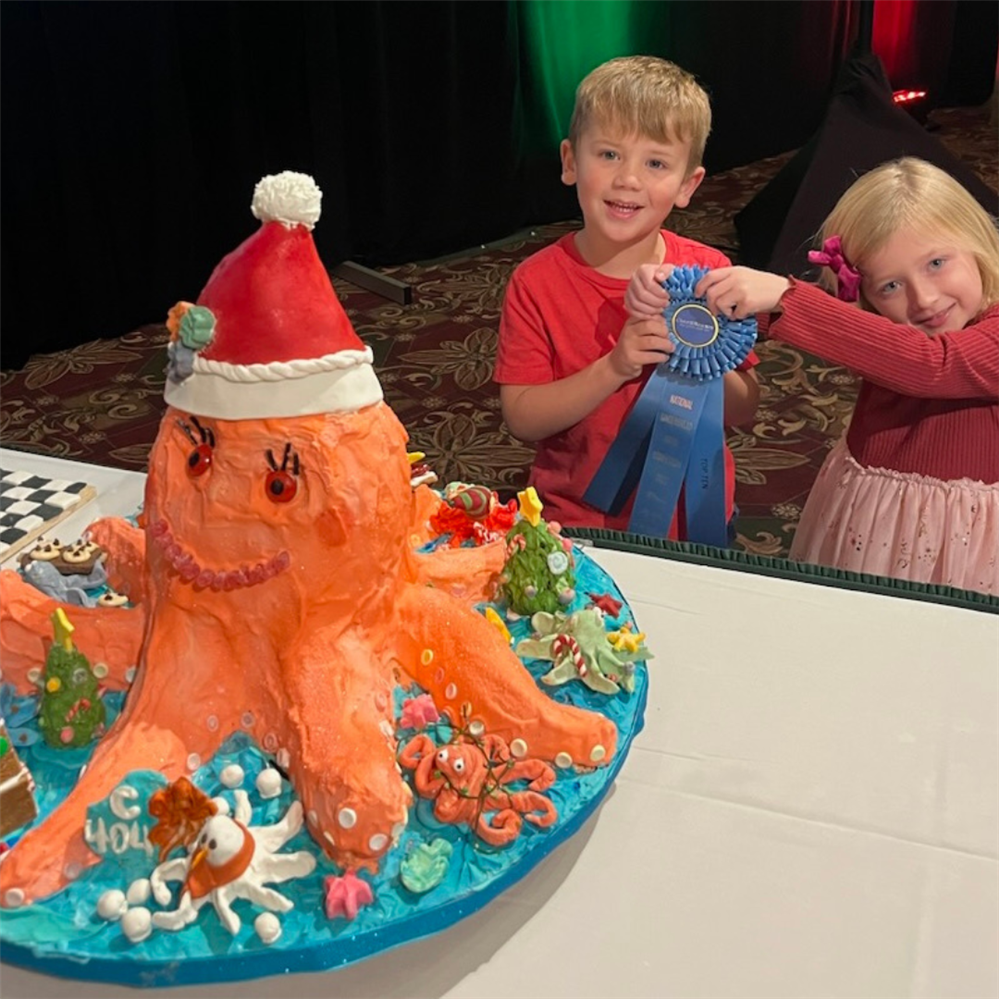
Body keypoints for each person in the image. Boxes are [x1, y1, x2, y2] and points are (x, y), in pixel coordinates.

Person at [627, 156, 999, 594]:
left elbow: (933, 365)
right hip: (873, 516)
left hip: (967, 542)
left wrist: (784, 297)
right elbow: (862, 336)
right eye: (890, 286)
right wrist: (688, 292)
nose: (924, 298)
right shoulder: (891, 332)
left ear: (976, 241)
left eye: (936, 263)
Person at [494, 55, 759, 541]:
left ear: (687, 185)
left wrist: (695, 351)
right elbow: (523, 418)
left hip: (694, 512)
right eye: (609, 154)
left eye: (655, 163)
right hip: (579, 521)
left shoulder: (710, 276)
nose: (628, 179)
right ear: (571, 162)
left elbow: (745, 406)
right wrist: (615, 366)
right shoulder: (536, 284)